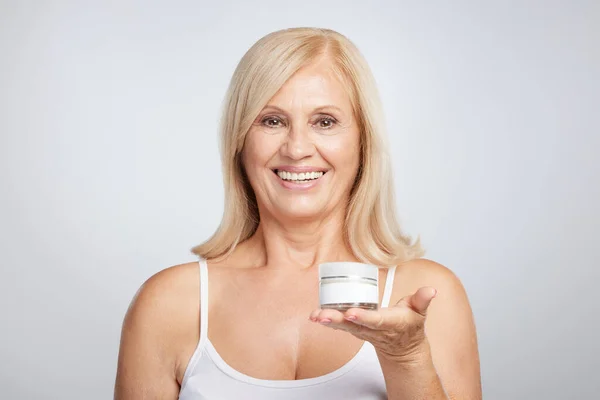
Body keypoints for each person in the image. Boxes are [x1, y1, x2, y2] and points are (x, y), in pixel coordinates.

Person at [114, 27, 481, 400]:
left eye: (324, 121)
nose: (297, 148)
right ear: (240, 141)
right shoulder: (168, 303)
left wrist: (406, 357)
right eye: (272, 121)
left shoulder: (427, 296)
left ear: (362, 141)